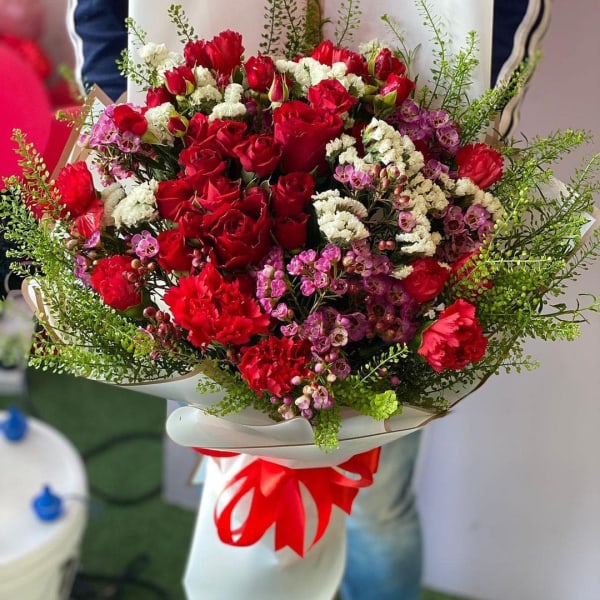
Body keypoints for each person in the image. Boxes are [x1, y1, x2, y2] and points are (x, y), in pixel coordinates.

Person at [66, 1, 551, 598]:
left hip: (401, 214)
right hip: (187, 210)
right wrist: (129, 137)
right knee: (227, 459)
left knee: (376, 506)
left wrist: (473, 149)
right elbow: (102, 12)